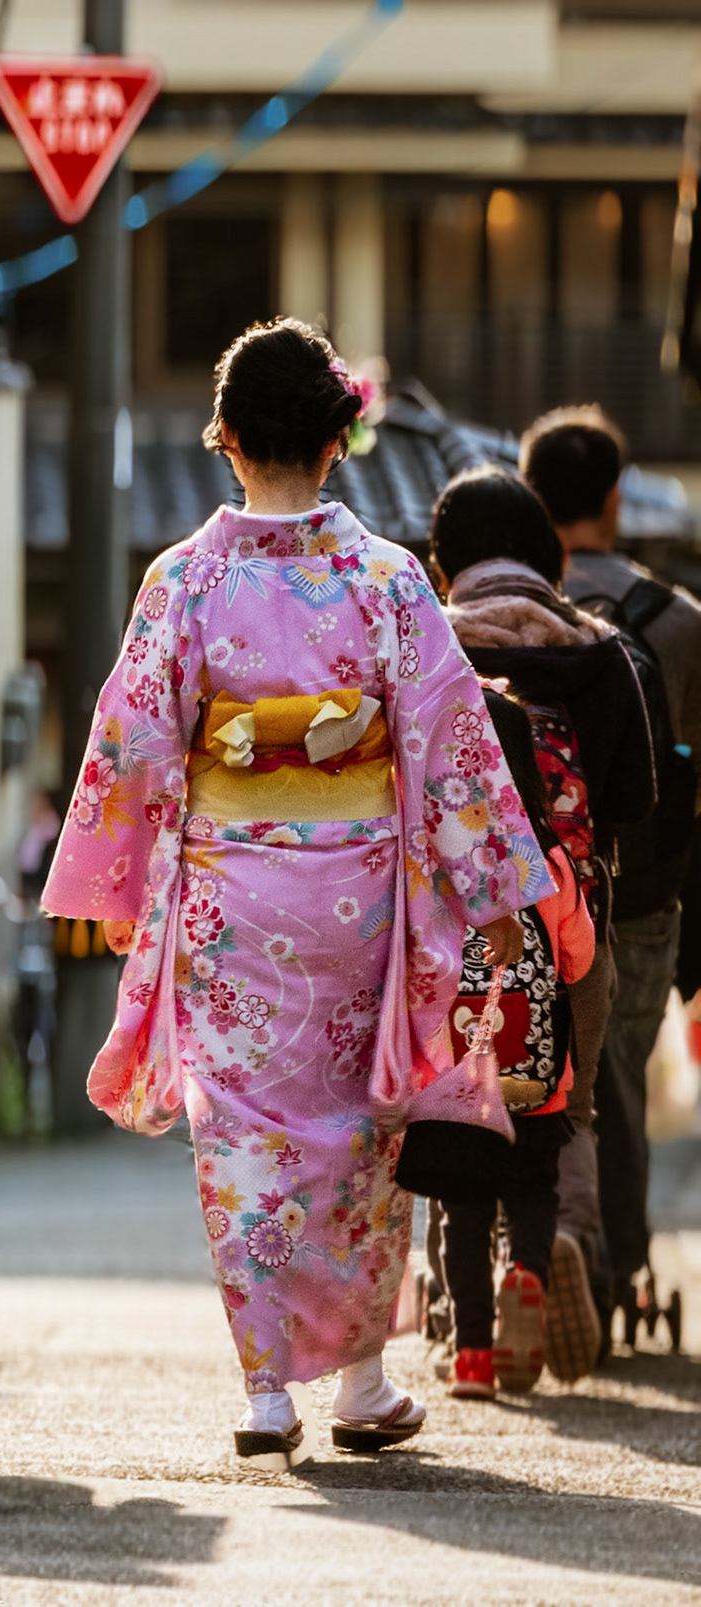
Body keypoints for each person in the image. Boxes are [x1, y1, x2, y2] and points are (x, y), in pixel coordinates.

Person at [43, 319, 546, 1459]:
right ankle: (364, 1382)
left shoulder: (186, 578)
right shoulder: (383, 580)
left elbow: (134, 743)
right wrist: (500, 886)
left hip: (233, 896)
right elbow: (450, 739)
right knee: (364, 1131)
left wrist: (112, 879)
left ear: (223, 439)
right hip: (358, 899)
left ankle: (269, 1391)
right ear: (339, 441)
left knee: (245, 1141)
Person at [426, 464, 655, 1380]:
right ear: (548, 553)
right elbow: (635, 798)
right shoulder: (600, 651)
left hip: (454, 932)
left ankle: (461, 1325)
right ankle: (564, 1253)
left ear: (444, 559)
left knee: (453, 1111)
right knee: (565, 1109)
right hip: (572, 916)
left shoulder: (430, 649)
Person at [524, 406, 701, 1340]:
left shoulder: (502, 612)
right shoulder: (679, 624)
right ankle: (612, 1269)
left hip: (520, 892)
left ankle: (517, 1259)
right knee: (617, 1075)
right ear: (614, 498)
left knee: (510, 1066)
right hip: (640, 897)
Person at [439, 689, 596, 1402]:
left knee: (463, 1213)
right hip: (537, 1076)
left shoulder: (442, 863)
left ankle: (471, 1354)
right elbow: (579, 959)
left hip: (460, 1078)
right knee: (533, 1188)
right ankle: (527, 1271)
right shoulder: (551, 858)